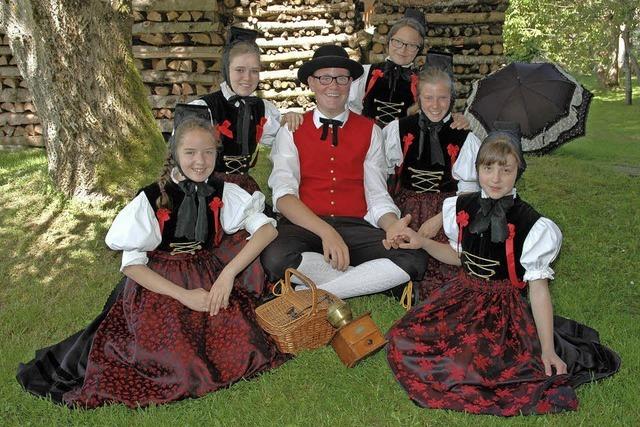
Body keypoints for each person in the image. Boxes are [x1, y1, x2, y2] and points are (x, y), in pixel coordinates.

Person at [17, 116, 287, 408]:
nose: (201, 161)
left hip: (208, 276)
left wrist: (228, 275)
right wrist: (184, 296)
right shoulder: (151, 198)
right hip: (161, 288)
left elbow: (268, 229)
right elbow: (132, 265)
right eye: (191, 153)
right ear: (174, 155)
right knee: (178, 364)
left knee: (245, 345)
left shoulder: (224, 191)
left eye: (208, 152)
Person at [384, 125, 620, 416]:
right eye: (488, 168)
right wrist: (422, 241)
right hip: (461, 296)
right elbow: (460, 259)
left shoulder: (532, 225)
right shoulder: (461, 206)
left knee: (469, 367)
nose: (495, 179)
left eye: (505, 170)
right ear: (477, 168)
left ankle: (538, 346)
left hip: (502, 309)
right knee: (404, 335)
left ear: (518, 171)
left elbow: (538, 289)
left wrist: (547, 350)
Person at [260, 44, 428, 299]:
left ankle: (314, 291)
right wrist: (327, 232)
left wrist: (392, 225)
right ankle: (370, 279)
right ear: (311, 83)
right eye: (325, 78)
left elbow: (376, 193)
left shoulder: (370, 130)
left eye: (341, 78)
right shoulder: (292, 129)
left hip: (355, 226)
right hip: (306, 225)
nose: (334, 85)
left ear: (351, 83)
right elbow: (284, 197)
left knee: (413, 258)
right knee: (275, 257)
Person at [382, 58, 481, 301]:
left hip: (447, 207)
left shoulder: (464, 138)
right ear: (418, 97)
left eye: (442, 98)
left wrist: (440, 219)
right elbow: (381, 174)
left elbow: (469, 192)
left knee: (451, 267)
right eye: (429, 98)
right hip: (406, 206)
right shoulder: (397, 129)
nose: (435, 106)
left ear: (452, 99)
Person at [187, 27, 281, 194]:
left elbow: (281, 140)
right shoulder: (203, 108)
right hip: (207, 188)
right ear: (226, 70)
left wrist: (291, 121)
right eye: (240, 70)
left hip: (243, 187)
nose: (247, 78)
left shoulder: (262, 109)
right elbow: (184, 158)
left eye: (254, 71)